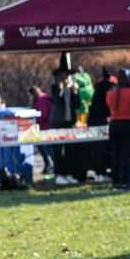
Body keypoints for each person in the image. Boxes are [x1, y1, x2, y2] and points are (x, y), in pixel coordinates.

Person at [106, 68, 130, 190]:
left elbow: (108, 104)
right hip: (128, 125)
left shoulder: (111, 93)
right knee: (125, 156)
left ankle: (115, 182)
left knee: (116, 155)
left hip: (114, 125)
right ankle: (124, 182)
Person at [50, 52, 81, 185]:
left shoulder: (73, 86)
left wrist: (75, 93)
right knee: (58, 149)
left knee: (70, 149)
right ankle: (59, 174)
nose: (65, 77)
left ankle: (69, 173)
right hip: (58, 121)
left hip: (69, 121)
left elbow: (77, 105)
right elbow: (55, 102)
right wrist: (60, 88)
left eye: (67, 75)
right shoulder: (55, 87)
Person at [87, 67, 116, 183]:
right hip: (102, 124)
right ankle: (101, 173)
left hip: (93, 124)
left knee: (96, 149)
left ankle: (99, 173)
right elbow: (107, 111)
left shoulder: (96, 93)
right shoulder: (107, 94)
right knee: (103, 149)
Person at [27, 86, 54, 174]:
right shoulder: (45, 98)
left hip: (45, 128)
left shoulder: (41, 101)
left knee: (48, 148)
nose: (29, 98)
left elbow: (43, 115)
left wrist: (33, 122)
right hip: (47, 127)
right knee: (46, 147)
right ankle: (49, 164)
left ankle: (51, 165)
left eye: (29, 95)